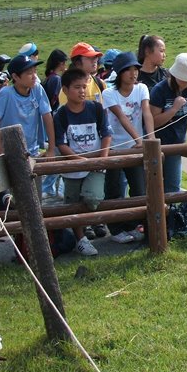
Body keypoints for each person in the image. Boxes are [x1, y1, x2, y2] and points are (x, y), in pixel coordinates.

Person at [53, 68, 112, 256]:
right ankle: (81, 239)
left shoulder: (96, 108)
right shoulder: (61, 115)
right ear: (65, 89)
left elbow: (106, 134)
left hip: (95, 165)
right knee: (72, 202)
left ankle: (89, 224)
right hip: (72, 168)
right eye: (77, 87)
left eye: (84, 87)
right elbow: (61, 144)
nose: (82, 91)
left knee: (93, 197)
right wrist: (79, 160)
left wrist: (101, 159)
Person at [149, 53, 187, 237]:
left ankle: (173, 226)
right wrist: (173, 109)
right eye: (183, 79)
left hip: (177, 143)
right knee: (155, 185)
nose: (186, 83)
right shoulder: (159, 90)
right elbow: (154, 121)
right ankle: (162, 226)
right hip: (157, 145)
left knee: (172, 185)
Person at [102, 52, 154, 243]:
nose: (133, 74)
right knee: (114, 189)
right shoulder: (109, 93)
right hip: (116, 146)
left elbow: (146, 113)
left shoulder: (141, 89)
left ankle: (134, 225)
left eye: (136, 69)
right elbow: (122, 117)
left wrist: (151, 140)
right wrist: (139, 140)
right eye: (129, 70)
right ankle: (115, 230)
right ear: (120, 72)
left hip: (136, 146)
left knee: (139, 188)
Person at [0, 55, 55, 158]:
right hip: (9, 153)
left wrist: (51, 149)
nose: (34, 76)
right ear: (15, 77)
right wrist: (1, 152)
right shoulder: (6, 94)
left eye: (35, 71)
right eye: (29, 73)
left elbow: (47, 116)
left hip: (31, 151)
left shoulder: (37, 89)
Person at [41, 49, 68, 200]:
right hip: (54, 119)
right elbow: (56, 102)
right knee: (58, 153)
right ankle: (49, 187)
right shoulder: (56, 80)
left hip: (48, 119)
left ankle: (51, 187)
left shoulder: (48, 78)